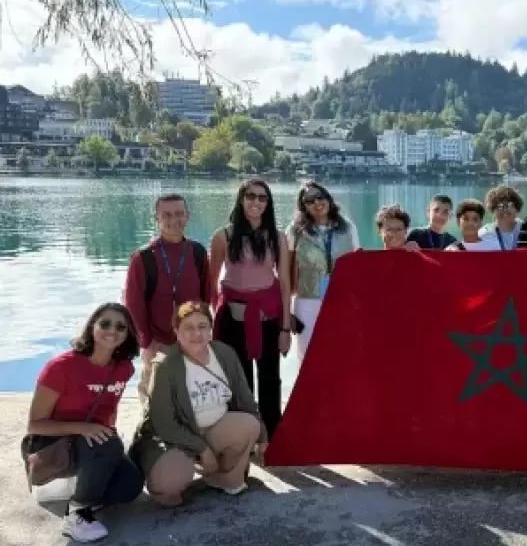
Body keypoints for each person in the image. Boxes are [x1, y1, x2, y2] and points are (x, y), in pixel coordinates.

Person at [23, 303, 144, 542]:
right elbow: (34, 425)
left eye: (121, 326)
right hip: (53, 442)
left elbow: (108, 412)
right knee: (107, 445)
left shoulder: (124, 368)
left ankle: (83, 484)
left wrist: (105, 439)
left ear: (128, 333)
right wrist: (84, 429)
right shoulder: (61, 367)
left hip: (91, 440)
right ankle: (77, 512)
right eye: (105, 323)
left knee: (130, 486)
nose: (112, 331)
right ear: (92, 327)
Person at [129, 302, 267, 506]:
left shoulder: (224, 353)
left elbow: (244, 398)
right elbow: (164, 423)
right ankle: (184, 466)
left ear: (211, 330)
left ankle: (220, 478)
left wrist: (262, 435)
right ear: (176, 331)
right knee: (169, 487)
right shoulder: (165, 365)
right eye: (189, 327)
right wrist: (202, 449)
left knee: (250, 425)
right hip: (176, 437)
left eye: (202, 326)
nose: (197, 333)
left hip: (215, 428)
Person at [208, 179, 292, 440]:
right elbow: (211, 283)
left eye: (262, 198)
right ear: (241, 199)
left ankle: (272, 434)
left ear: (268, 203)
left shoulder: (277, 238)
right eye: (251, 196)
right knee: (239, 381)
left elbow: (286, 283)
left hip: (268, 317)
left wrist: (286, 328)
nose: (256, 202)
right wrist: (214, 319)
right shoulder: (223, 236)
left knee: (270, 380)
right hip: (234, 319)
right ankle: (246, 434)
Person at [123, 193, 212, 410]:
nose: (174, 220)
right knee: (156, 403)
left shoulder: (198, 252)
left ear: (188, 216)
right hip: (158, 342)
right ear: (157, 218)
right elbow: (133, 305)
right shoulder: (143, 257)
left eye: (180, 214)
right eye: (167, 215)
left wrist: (204, 334)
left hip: (192, 340)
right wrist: (146, 342)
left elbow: (206, 298)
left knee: (194, 400)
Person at [287, 182, 360, 359]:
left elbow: (358, 266)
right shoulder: (295, 231)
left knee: (341, 354)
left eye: (320, 197)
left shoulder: (348, 227)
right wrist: (285, 310)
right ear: (303, 206)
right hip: (307, 302)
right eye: (309, 200)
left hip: (341, 300)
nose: (317, 203)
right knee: (308, 357)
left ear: (328, 198)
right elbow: (287, 271)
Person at [478, 185, 524, 250]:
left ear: (517, 208)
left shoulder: (526, 229)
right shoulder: (484, 234)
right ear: (493, 209)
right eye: (500, 206)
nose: (505, 210)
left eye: (510, 205)